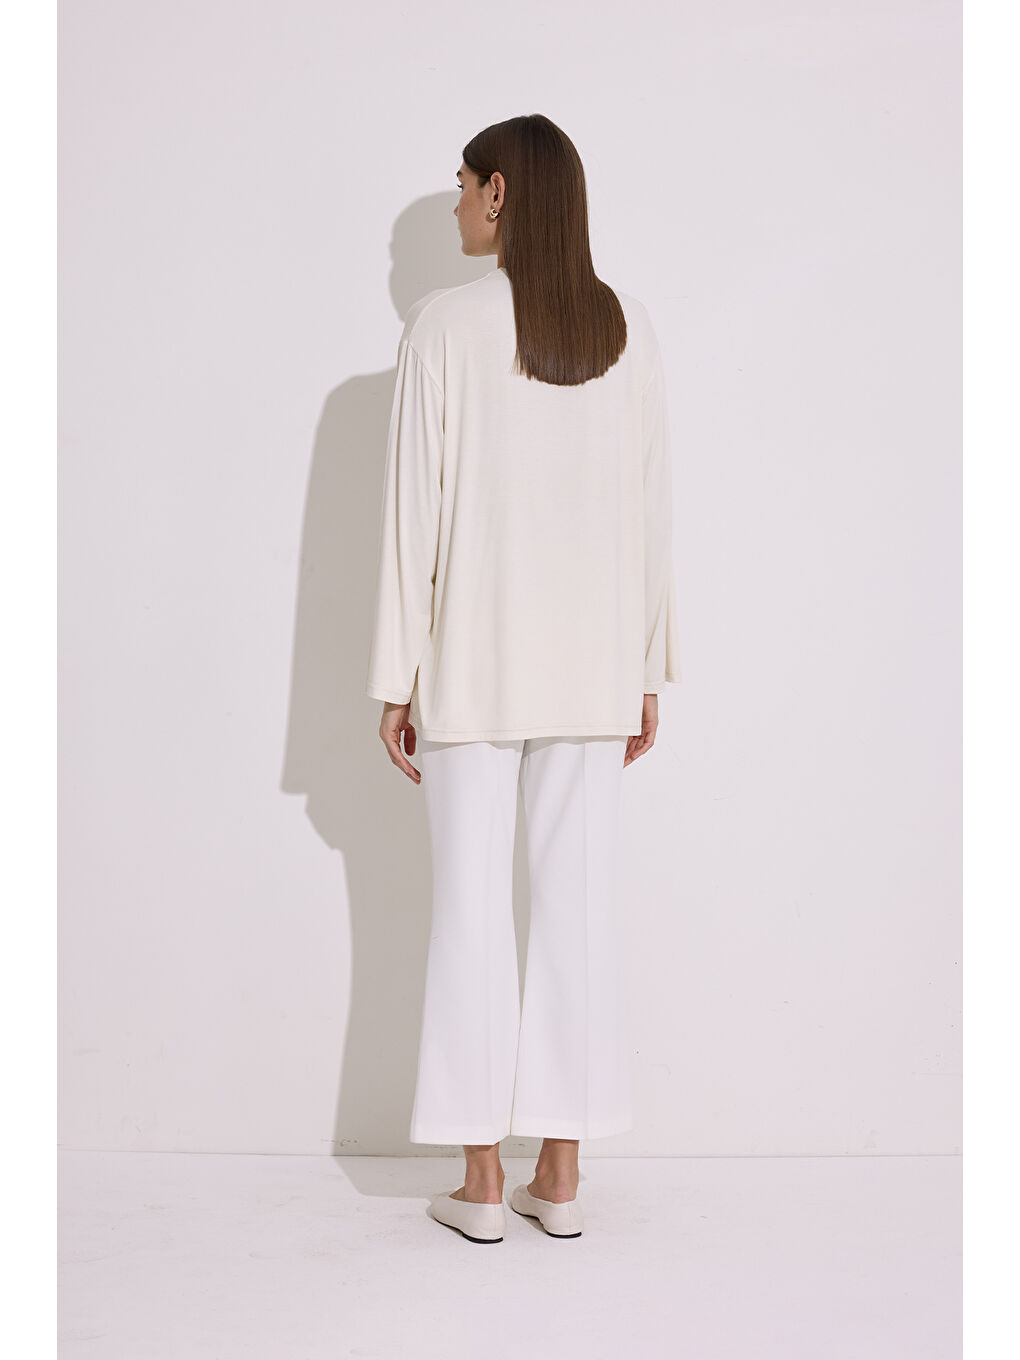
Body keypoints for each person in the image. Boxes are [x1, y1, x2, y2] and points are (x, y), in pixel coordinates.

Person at [366, 114, 681, 1243]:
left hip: (473, 662)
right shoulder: (624, 326)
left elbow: (412, 516)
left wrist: (395, 675)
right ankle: (561, 1172)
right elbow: (650, 513)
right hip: (593, 667)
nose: (456, 203)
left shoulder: (443, 325)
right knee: (577, 909)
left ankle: (480, 1184)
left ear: (500, 192)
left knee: (469, 913)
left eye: (462, 184)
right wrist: (646, 668)